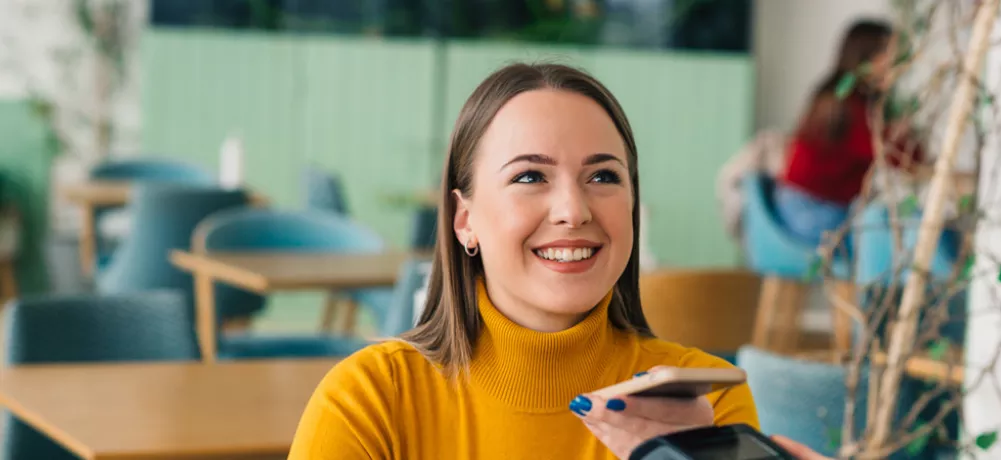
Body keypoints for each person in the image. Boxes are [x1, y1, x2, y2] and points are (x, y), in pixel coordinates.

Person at [287, 63, 757, 459]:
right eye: (530, 176)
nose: (573, 210)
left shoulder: (707, 402)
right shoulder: (368, 400)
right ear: (465, 220)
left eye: (603, 176)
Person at [774, 19, 925, 246]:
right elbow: (901, 158)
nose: (897, 65)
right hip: (812, 211)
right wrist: (902, 134)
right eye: (890, 55)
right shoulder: (848, 107)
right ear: (868, 59)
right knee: (891, 238)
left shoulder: (834, 95)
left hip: (795, 203)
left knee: (889, 229)